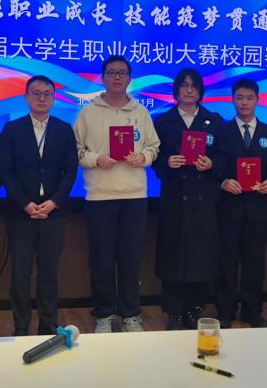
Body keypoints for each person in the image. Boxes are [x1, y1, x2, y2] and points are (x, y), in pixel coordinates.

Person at [73, 55, 160, 333]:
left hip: (134, 196)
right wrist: (96, 159)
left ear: (130, 79)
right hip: (100, 196)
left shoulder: (141, 112)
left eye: (122, 73)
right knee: (101, 260)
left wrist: (143, 157)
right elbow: (75, 150)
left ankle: (131, 314)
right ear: (102, 77)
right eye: (111, 72)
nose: (117, 77)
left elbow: (154, 147)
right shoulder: (88, 113)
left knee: (131, 259)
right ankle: (104, 315)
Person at [0, 75, 78, 336]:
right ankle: (21, 326)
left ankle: (48, 324)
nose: (42, 98)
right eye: (36, 93)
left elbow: (70, 171)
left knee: (49, 273)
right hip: (22, 213)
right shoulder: (12, 129)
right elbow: (5, 170)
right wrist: (25, 203)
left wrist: (54, 202)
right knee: (20, 274)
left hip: (54, 214)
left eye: (47, 94)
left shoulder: (64, 129)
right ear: (26, 97)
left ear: (54, 99)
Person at [152, 69, 225, 330]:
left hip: (203, 200)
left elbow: (224, 158)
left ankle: (195, 309)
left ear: (201, 90)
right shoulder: (163, 121)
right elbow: (154, 158)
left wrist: (212, 164)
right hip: (174, 198)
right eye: (184, 85)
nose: (189, 90)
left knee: (200, 256)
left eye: (194, 86)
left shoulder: (213, 121)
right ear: (177, 90)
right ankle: (173, 310)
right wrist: (166, 162)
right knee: (172, 254)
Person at [216, 78, 267, 328]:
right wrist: (223, 182)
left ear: (257, 100)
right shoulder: (221, 131)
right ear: (232, 100)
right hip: (229, 207)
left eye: (249, 98)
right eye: (239, 98)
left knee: (255, 262)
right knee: (226, 261)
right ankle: (225, 310)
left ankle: (252, 310)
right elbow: (214, 166)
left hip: (258, 207)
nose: (244, 102)